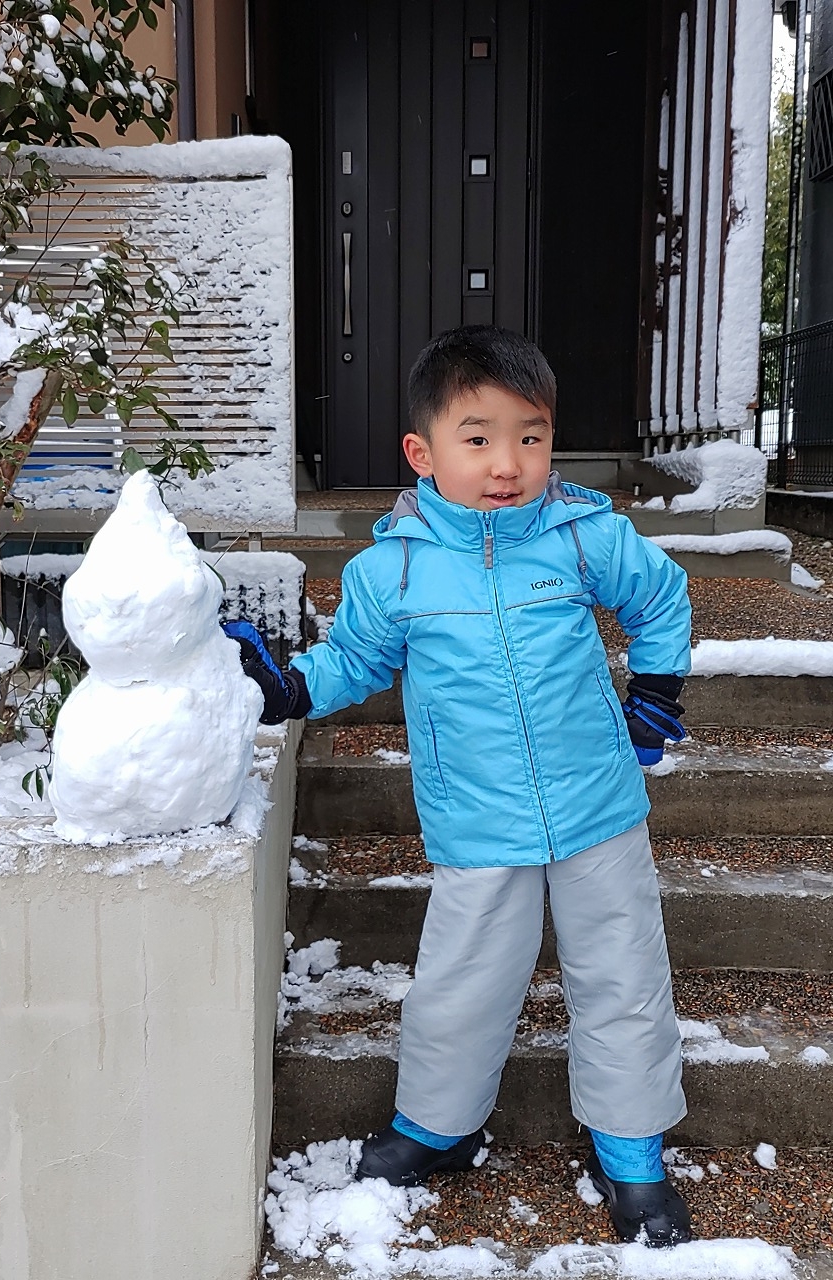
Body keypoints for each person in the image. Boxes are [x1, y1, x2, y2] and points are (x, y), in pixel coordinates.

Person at [225, 325, 693, 1248]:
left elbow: (660, 594)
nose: (508, 462)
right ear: (424, 451)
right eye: (477, 438)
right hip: (479, 817)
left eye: (531, 435)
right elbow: (356, 658)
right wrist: (291, 687)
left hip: (597, 805)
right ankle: (438, 1126)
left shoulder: (583, 533)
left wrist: (656, 694)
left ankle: (633, 1151)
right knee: (462, 981)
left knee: (624, 975)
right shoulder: (393, 567)